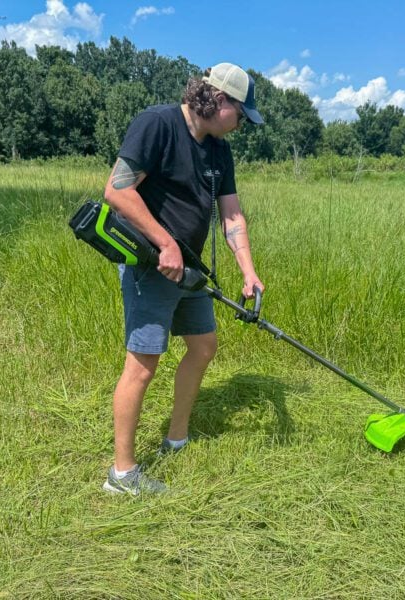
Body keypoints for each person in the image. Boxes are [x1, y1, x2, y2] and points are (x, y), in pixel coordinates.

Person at [101, 63, 265, 495]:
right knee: (142, 365)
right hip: (151, 266)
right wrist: (164, 243)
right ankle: (122, 474)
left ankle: (176, 438)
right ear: (220, 101)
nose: (243, 126)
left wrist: (248, 270)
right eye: (242, 116)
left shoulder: (218, 150)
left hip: (190, 269)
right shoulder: (157, 124)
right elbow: (117, 191)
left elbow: (230, 214)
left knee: (204, 345)